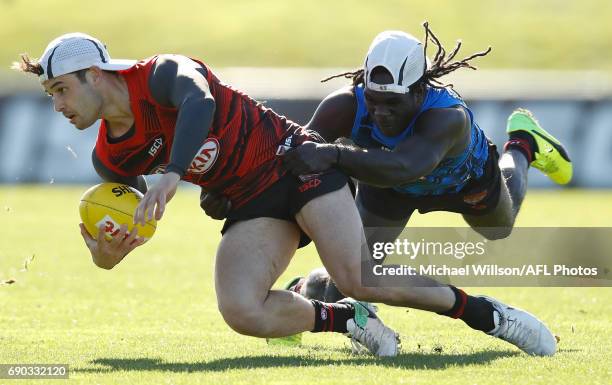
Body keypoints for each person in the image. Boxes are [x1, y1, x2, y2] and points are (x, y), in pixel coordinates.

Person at [15, 32, 400, 357]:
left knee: (360, 274)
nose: (57, 106)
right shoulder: (110, 158)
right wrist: (109, 255)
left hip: (298, 167)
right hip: (254, 205)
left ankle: (459, 306)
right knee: (242, 311)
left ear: (95, 76)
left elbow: (200, 101)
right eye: (51, 94)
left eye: (61, 89)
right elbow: (139, 215)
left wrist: (174, 173)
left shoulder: (159, 75)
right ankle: (348, 317)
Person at [204, 23, 570, 356]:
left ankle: (523, 145)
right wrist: (233, 188)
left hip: (462, 181)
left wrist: (332, 153)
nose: (380, 112)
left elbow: (407, 165)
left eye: (393, 102)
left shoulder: (447, 117)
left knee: (500, 228)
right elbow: (294, 159)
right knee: (353, 278)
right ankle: (304, 292)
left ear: (419, 90)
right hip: (389, 190)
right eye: (374, 100)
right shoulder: (345, 104)